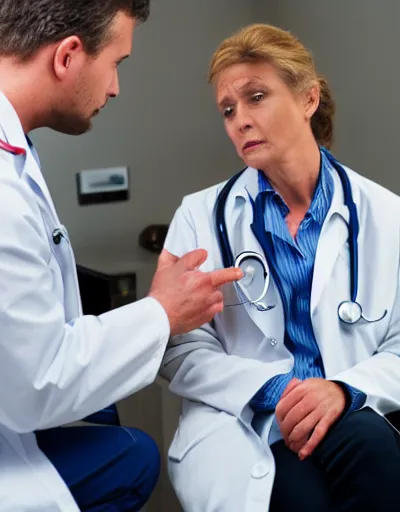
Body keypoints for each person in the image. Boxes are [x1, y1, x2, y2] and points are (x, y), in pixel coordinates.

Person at [0, 1, 242, 511]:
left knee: (107, 417)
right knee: (133, 459)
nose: (116, 87)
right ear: (69, 55)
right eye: (116, 63)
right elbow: (32, 387)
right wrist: (162, 313)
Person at [159, 23, 400, 512]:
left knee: (374, 451)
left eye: (257, 97)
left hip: (349, 410)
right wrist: (274, 388)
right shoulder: (200, 217)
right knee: (297, 499)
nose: (239, 121)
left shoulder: (386, 214)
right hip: (247, 421)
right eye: (228, 110)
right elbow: (178, 349)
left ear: (308, 99)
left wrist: (342, 390)